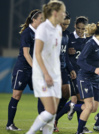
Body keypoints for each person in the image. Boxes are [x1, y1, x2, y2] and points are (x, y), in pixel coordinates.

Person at [26, 1, 66, 134]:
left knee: (52, 115)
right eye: (63, 12)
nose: (64, 14)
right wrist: (46, 73)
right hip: (43, 75)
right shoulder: (43, 28)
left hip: (55, 75)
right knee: (50, 110)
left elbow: (54, 55)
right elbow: (37, 53)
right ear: (55, 13)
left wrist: (56, 75)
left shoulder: (58, 29)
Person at [54, 16, 92, 133]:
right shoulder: (69, 37)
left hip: (83, 74)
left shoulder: (88, 40)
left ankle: (79, 125)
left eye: (83, 29)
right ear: (75, 26)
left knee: (80, 100)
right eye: (79, 28)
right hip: (72, 73)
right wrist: (71, 69)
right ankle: (56, 120)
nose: (80, 31)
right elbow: (65, 55)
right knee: (78, 99)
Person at [6, 9, 42, 131]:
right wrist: (36, 68)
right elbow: (26, 54)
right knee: (16, 95)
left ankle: (42, 124)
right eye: (41, 19)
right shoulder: (27, 33)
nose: (42, 22)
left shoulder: (39, 33)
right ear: (34, 20)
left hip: (33, 69)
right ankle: (9, 124)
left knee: (42, 95)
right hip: (23, 68)